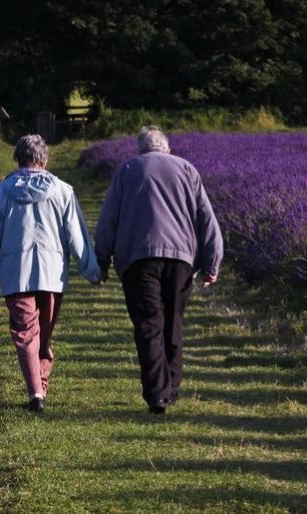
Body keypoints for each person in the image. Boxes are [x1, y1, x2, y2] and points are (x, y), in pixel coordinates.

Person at [94, 126, 223, 414]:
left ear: (140, 149)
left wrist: (102, 260)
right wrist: (211, 263)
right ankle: (172, 387)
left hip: (138, 260)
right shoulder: (187, 169)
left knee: (149, 325)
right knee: (173, 322)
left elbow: (109, 219)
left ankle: (157, 395)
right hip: (180, 260)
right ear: (167, 148)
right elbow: (206, 218)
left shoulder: (128, 170)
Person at [0, 134, 101, 413]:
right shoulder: (62, 191)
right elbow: (76, 236)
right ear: (44, 160)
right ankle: (38, 390)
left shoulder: (2, 192)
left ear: (18, 160)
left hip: (14, 273)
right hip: (52, 274)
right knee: (41, 334)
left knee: (27, 334)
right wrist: (92, 271)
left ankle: (37, 390)